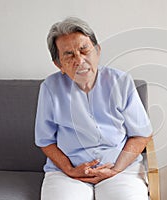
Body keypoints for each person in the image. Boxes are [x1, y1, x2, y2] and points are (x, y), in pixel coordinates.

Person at [35, 17, 153, 200]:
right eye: (69, 54)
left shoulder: (121, 82)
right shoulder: (50, 88)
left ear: (97, 51)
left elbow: (141, 135)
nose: (79, 60)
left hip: (120, 169)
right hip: (68, 174)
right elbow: (45, 140)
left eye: (84, 50)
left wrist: (116, 169)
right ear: (59, 65)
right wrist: (70, 170)